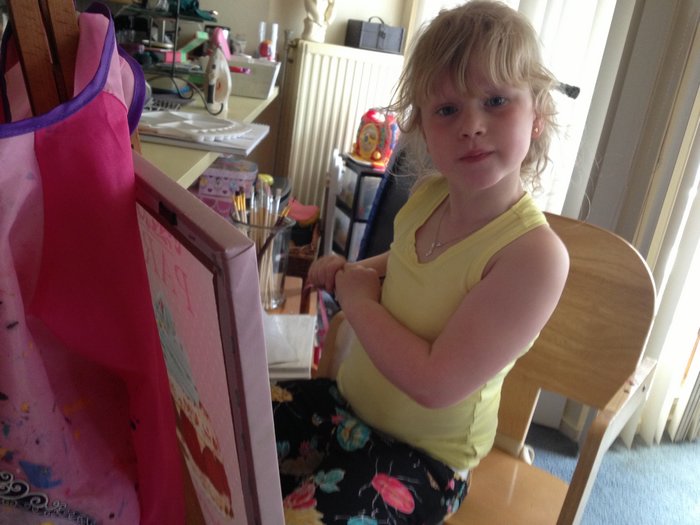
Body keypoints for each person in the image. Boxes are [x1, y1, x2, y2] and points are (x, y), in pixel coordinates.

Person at [272, 2, 570, 523]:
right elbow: (408, 259)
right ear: (424, 128)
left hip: (424, 463)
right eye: (447, 110)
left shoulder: (534, 256)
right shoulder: (429, 195)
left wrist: (357, 300)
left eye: (496, 101)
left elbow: (436, 384)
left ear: (537, 115)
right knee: (228, 423)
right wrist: (360, 270)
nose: (471, 125)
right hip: (345, 409)